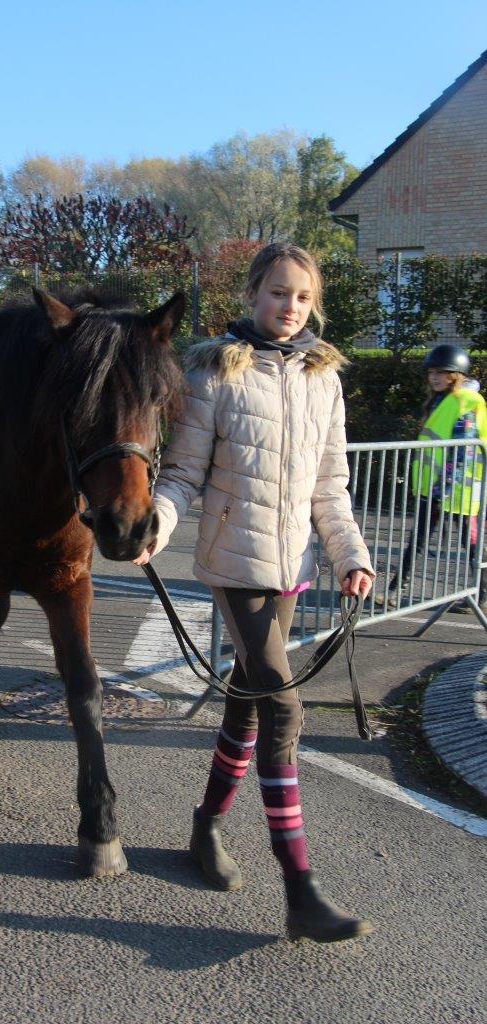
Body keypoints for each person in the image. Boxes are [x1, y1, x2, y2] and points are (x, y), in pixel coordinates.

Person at [134, 242, 374, 943]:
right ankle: (300, 888)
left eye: (301, 297)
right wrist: (158, 523)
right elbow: (180, 474)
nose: (289, 307)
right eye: (277, 293)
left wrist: (350, 555)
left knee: (246, 704)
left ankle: (204, 829)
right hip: (234, 566)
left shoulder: (322, 378)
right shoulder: (215, 371)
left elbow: (331, 487)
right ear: (251, 294)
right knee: (283, 707)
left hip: (291, 567)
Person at [385, 343, 487, 609]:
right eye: (431, 372)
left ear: (456, 375)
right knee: (418, 539)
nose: (434, 377)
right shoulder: (441, 400)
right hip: (438, 487)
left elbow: (461, 450)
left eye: (442, 372)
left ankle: (484, 594)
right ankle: (395, 590)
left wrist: (445, 487)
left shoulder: (464, 401)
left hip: (456, 489)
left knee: (470, 542)